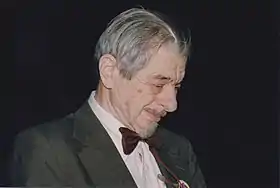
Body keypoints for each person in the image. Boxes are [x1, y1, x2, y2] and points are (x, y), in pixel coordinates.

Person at [9, 7, 207, 188]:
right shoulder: (48, 151)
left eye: (177, 87)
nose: (172, 104)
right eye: (158, 84)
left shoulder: (179, 150)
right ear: (110, 71)